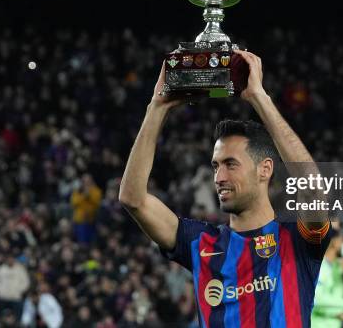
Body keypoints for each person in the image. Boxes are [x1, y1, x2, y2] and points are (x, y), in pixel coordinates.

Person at [119, 50, 331, 328]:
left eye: (231, 164)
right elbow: (133, 199)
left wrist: (259, 98)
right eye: (215, 166)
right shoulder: (200, 243)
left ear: (265, 169)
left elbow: (313, 190)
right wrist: (156, 107)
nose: (219, 176)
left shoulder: (297, 240)